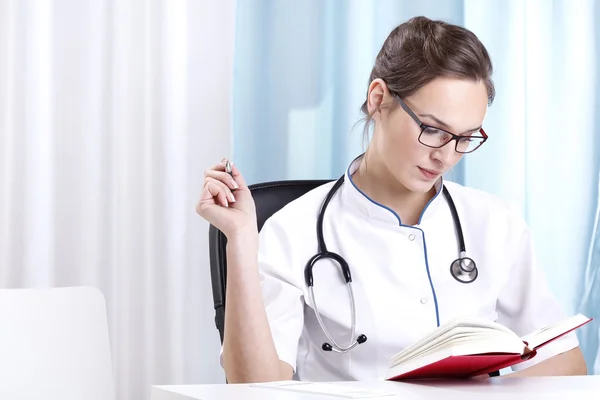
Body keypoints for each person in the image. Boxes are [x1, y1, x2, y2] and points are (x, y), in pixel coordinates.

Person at [196, 16, 587, 383]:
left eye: (466, 138)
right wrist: (243, 238)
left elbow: (564, 363)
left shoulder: (494, 223)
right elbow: (253, 387)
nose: (447, 156)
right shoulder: (293, 229)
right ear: (378, 98)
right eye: (433, 130)